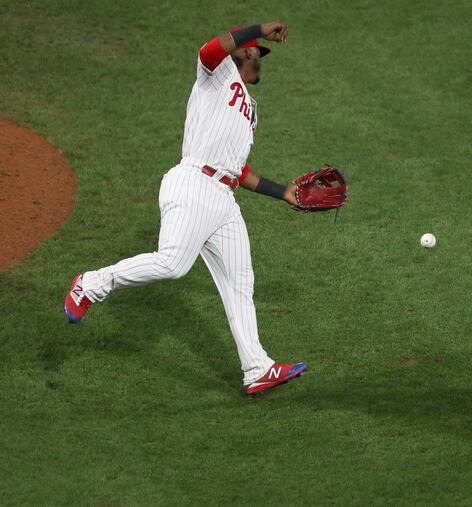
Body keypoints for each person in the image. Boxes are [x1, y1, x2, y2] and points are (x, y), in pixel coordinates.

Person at [64, 21, 309, 397]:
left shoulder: (250, 109)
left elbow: (237, 169)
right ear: (246, 51)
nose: (262, 59)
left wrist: (283, 192)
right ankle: (92, 284)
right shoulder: (218, 72)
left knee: (240, 283)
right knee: (173, 264)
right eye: (260, 52)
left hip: (223, 199)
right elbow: (209, 49)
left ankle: (257, 368)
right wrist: (259, 27)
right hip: (193, 182)